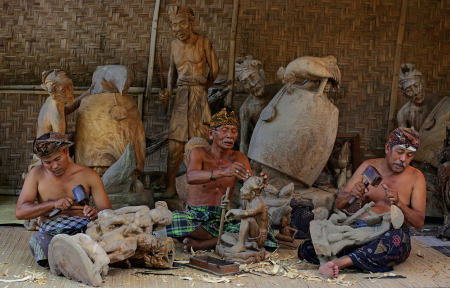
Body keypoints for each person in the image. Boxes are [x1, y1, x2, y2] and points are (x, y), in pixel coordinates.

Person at [298, 127, 426, 278]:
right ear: (387, 148)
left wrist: (400, 204)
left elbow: (419, 222)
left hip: (389, 235)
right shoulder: (369, 167)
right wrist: (353, 195)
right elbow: (340, 204)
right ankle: (358, 258)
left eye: (409, 155)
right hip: (358, 233)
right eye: (399, 152)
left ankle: (339, 263)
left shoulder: (416, 177)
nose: (403, 159)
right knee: (306, 249)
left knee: (394, 243)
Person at [166, 108, 277, 252]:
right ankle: (224, 239)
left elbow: (250, 182)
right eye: (224, 130)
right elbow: (191, 177)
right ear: (211, 134)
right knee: (169, 220)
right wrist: (224, 171)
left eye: (233, 131)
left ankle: (203, 244)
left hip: (226, 217)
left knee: (261, 222)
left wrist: (259, 183)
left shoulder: (239, 157)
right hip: (196, 217)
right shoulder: (199, 153)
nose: (230, 135)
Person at [16, 132, 112, 266]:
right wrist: (53, 204)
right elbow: (20, 212)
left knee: (110, 238)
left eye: (57, 159)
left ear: (66, 151)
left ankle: (69, 261)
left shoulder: (89, 175)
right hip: (52, 234)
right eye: (47, 162)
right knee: (37, 242)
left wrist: (96, 215)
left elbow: (108, 214)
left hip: (86, 232)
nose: (54, 166)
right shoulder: (36, 175)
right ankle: (87, 260)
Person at [159, 6, 220, 198]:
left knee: (200, 141)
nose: (178, 28)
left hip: (198, 96)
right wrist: (169, 90)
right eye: (174, 25)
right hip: (181, 97)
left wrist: (204, 87)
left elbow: (215, 68)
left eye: (182, 23)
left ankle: (204, 185)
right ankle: (170, 185)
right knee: (175, 144)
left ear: (191, 23)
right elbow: (171, 71)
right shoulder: (174, 45)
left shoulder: (203, 41)